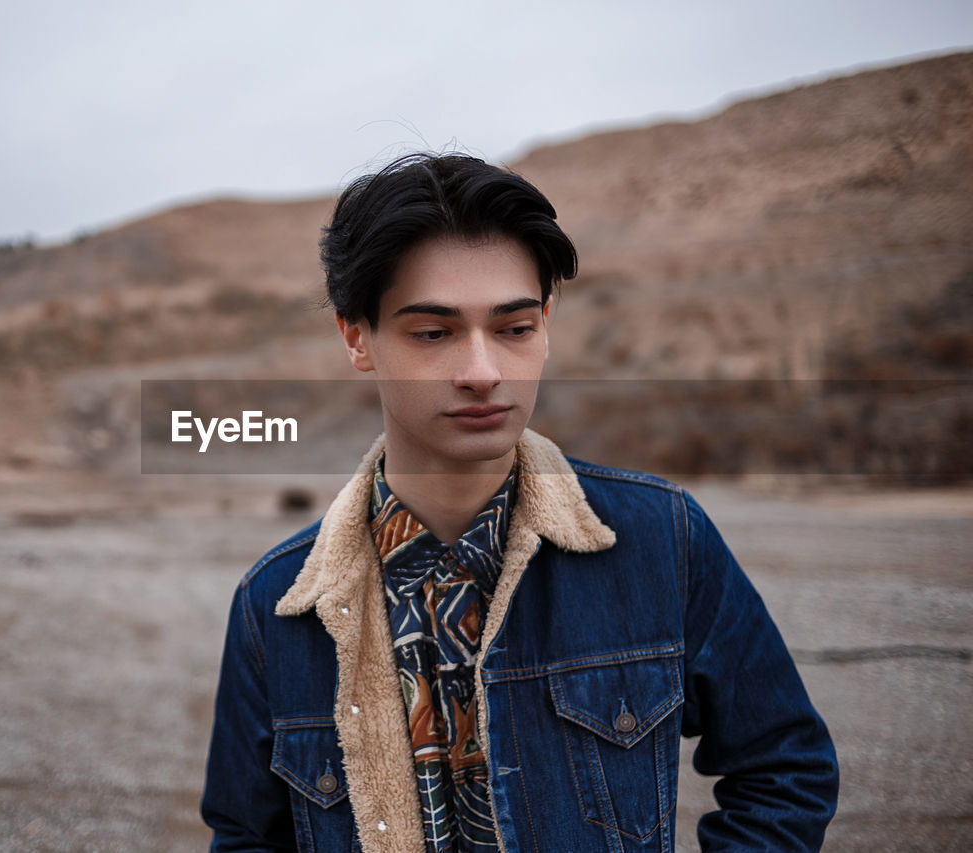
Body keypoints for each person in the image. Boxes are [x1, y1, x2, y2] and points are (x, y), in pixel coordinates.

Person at [200, 153, 838, 852]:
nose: (482, 371)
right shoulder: (276, 604)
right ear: (358, 336)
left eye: (514, 328)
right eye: (433, 332)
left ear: (547, 324)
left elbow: (784, 768)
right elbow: (245, 835)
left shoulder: (663, 538)